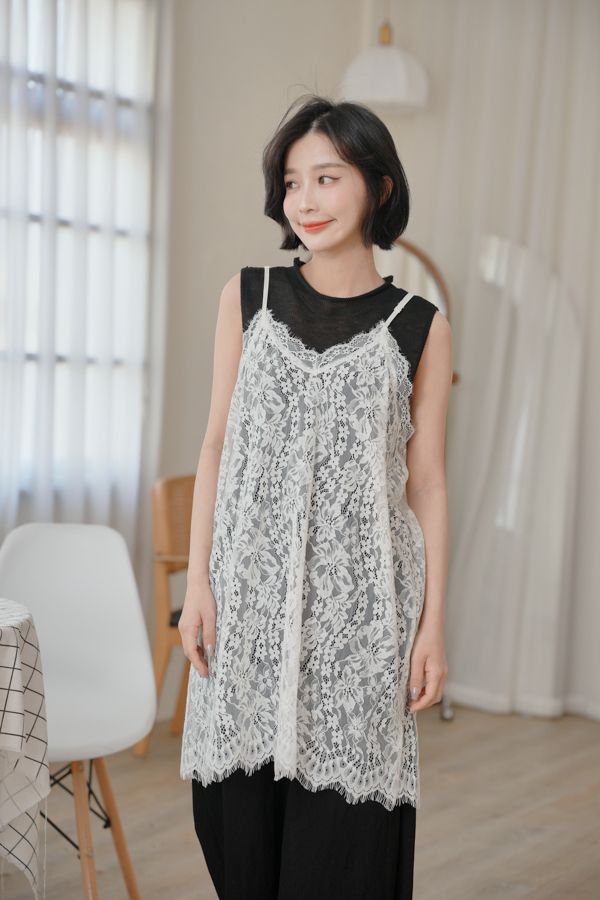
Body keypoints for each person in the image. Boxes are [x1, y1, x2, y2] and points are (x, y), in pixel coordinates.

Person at [178, 93, 452, 900]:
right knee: (236, 833)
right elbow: (216, 445)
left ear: (379, 187)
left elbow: (427, 482)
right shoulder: (249, 296)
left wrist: (433, 625)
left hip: (360, 626)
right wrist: (199, 584)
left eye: (327, 178)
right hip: (247, 611)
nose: (306, 200)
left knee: (345, 852)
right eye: (293, 182)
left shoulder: (420, 325)